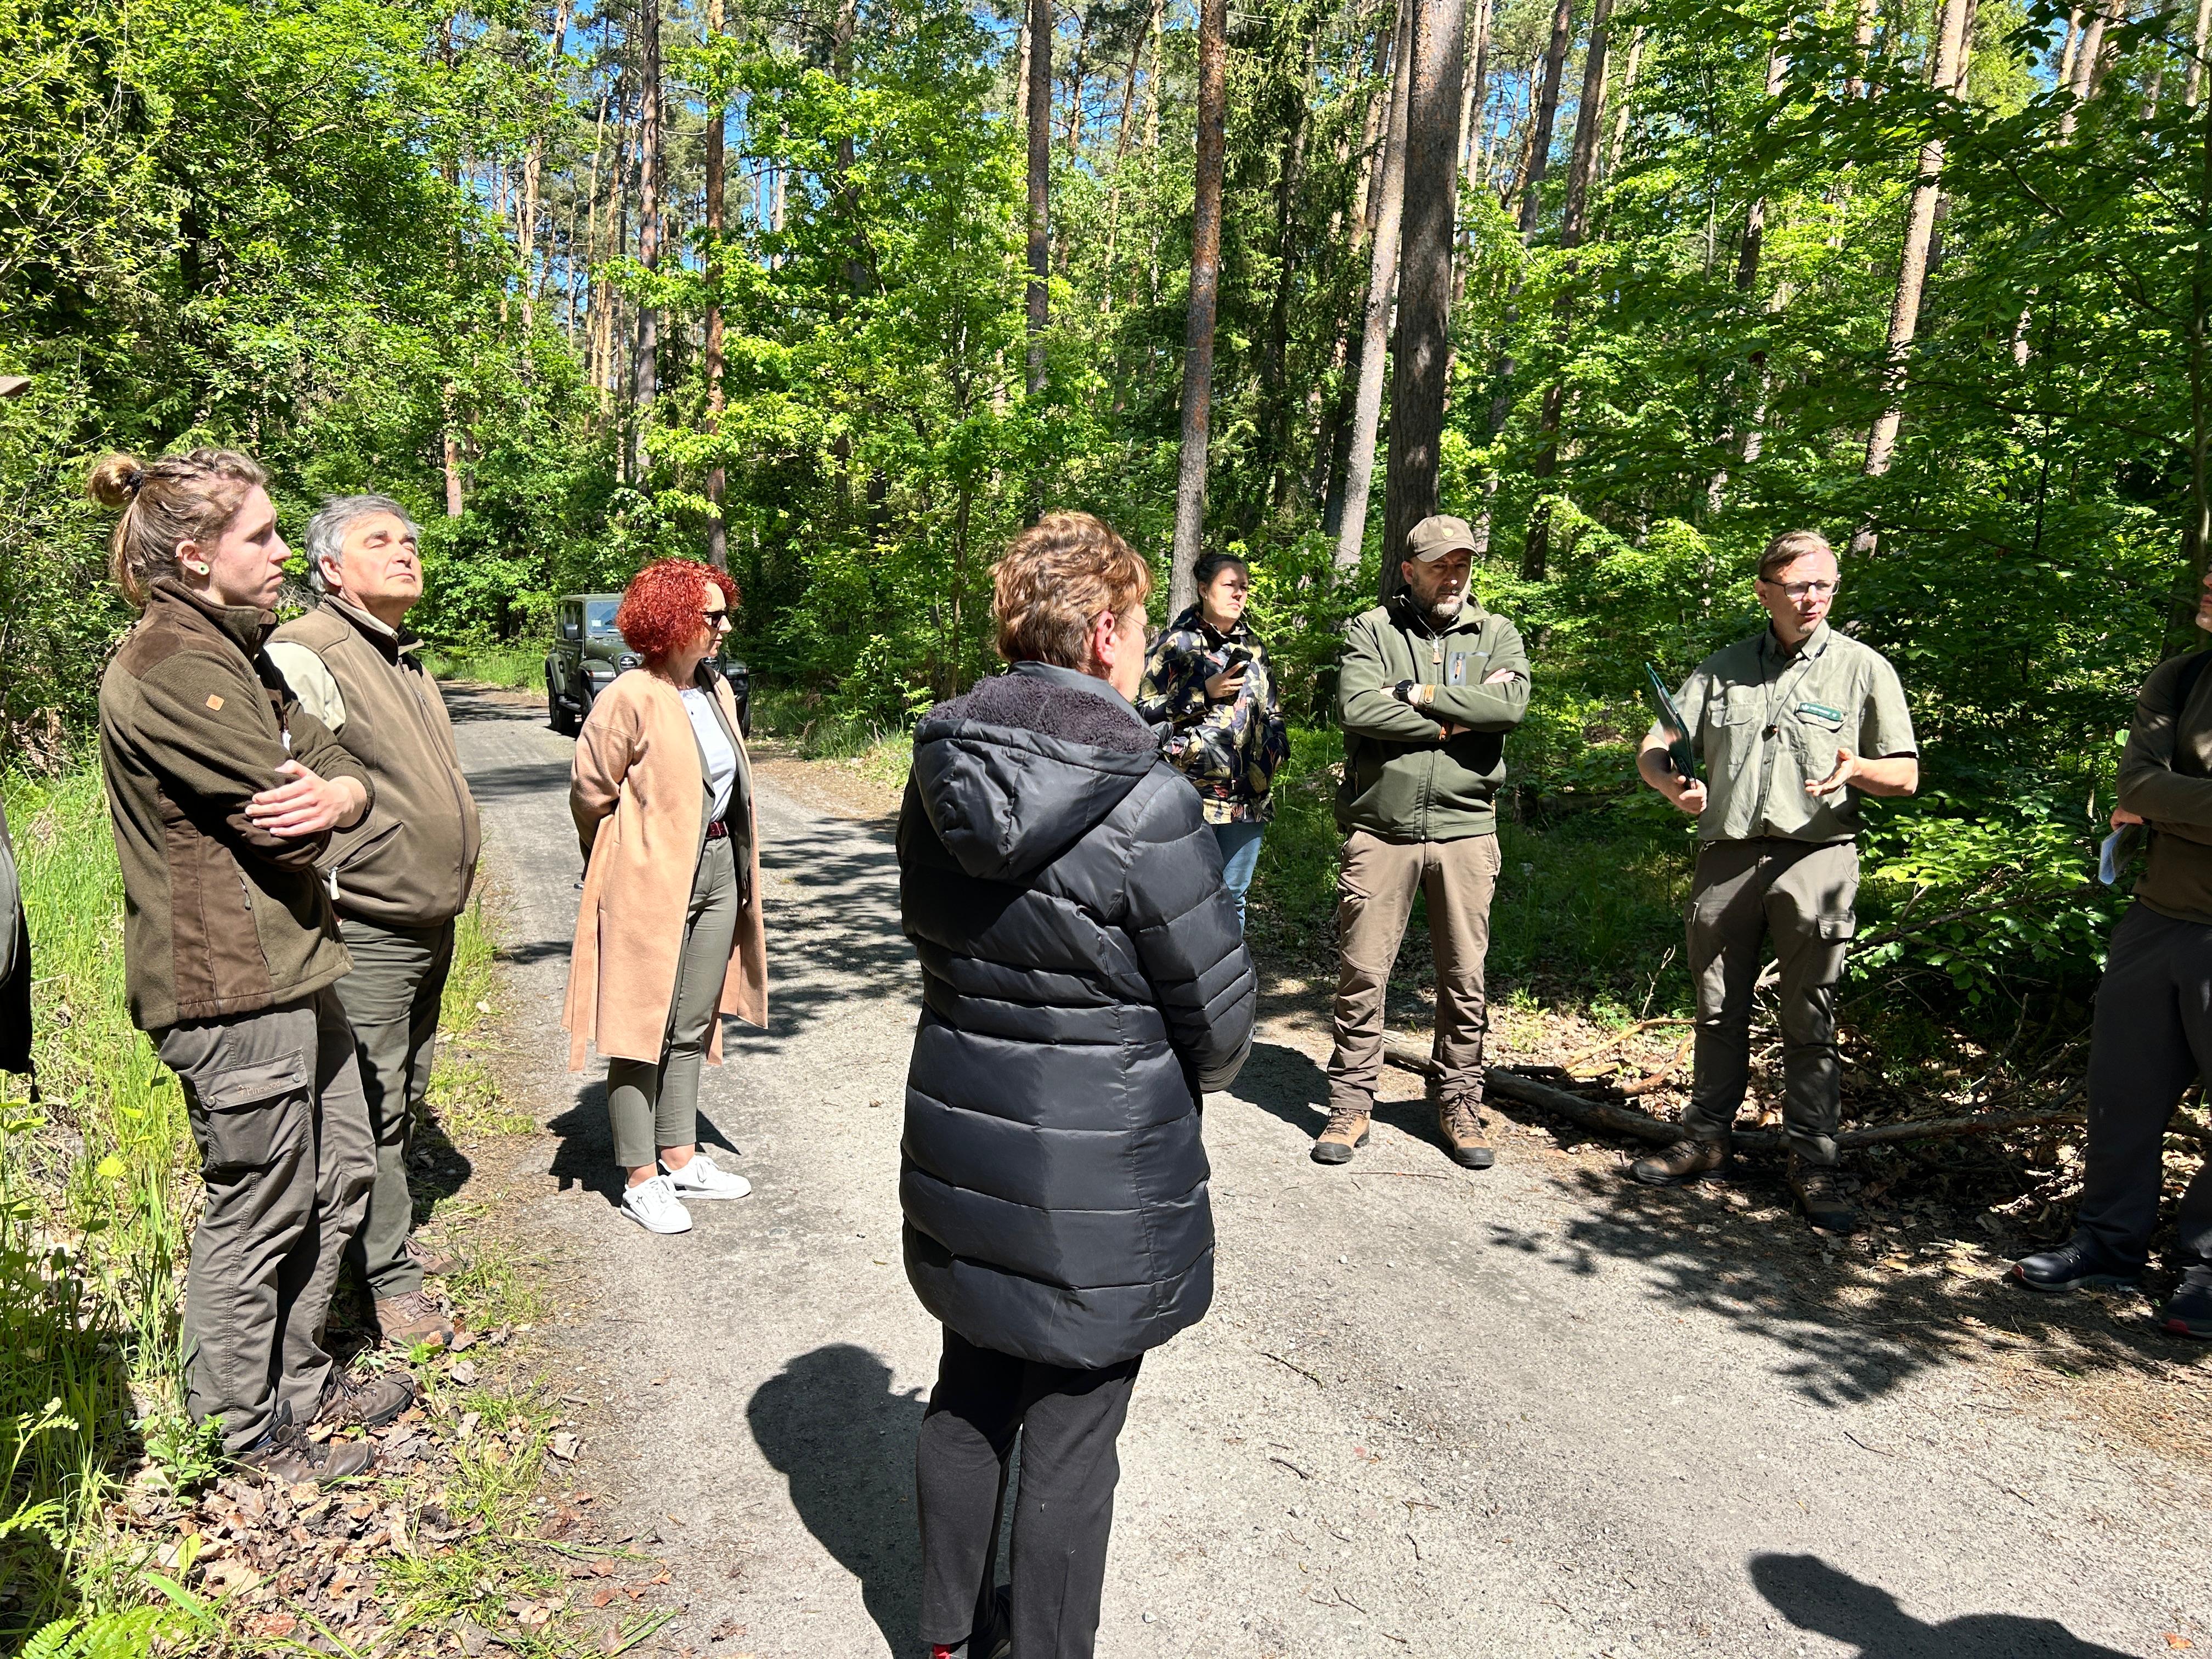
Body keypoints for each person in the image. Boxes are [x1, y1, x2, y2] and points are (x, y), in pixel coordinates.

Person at [898, 512, 1256, 1659]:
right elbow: (1222, 1023)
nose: (1144, 646)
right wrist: (1170, 1074)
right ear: (1104, 632)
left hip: (963, 1138)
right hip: (1100, 1173)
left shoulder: (941, 767)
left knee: (969, 1387)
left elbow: (929, 931)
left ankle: (947, 1639)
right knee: (1071, 1432)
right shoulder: (1148, 800)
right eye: (1140, 626)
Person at [91, 449, 409, 1486]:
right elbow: (282, 826)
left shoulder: (239, 652)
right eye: (262, 536)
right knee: (262, 1204)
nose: (282, 553)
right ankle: (239, 1433)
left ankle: (299, 1388)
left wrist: (340, 795)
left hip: (292, 965)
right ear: (195, 554)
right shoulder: (171, 665)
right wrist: (324, 806)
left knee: (341, 1170)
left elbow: (337, 767)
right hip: (227, 983)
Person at [1628, 529, 1918, 1234]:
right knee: (1716, 1006)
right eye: (1798, 586)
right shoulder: (1723, 669)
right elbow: (1655, 745)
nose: (1813, 598)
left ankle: (1813, 1160)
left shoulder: (1863, 669)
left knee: (1809, 1015)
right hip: (1727, 857)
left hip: (1817, 859)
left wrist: (1858, 769)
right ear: (1766, 592)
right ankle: (1705, 1139)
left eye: (1825, 585)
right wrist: (1670, 785)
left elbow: (1906, 775)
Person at [267, 496, 482, 1350]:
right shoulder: (308, 651)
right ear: (330, 567)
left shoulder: (399, 655)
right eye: (380, 541)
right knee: (370, 1104)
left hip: (426, 916)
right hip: (367, 922)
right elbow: (286, 783)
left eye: (411, 541)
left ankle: (379, 1246)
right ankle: (386, 1284)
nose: (406, 552)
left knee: (403, 1089)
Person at [2011, 567, 2212, 1338]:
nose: (2207, 579)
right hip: (2154, 920)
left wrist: (2164, 807)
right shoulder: (2182, 676)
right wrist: (2160, 804)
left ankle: (2205, 1269)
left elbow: (2153, 797)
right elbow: (2135, 784)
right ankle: (2106, 1245)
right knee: (2122, 1096)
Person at [1314, 513, 1530, 1170]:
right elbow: (1358, 708)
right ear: (1410, 571)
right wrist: (1450, 722)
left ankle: (1459, 1101)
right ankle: (1350, 1103)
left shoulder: (1496, 633)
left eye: (1462, 564)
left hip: (1466, 830)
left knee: (1464, 977)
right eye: (1440, 566)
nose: (1453, 576)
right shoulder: (1373, 629)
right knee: (1363, 973)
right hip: (1381, 831)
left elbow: (1509, 708)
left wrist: (1417, 694)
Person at [562, 557, 766, 1235]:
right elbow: (591, 793)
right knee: (638, 1023)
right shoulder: (630, 695)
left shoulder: (714, 687)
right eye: (712, 616)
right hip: (648, 876)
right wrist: (623, 858)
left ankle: (679, 1155)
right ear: (673, 619)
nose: (724, 627)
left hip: (718, 866)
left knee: (691, 1020)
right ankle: (640, 1177)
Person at [1136, 552, 1290, 930]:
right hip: (1190, 796)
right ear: (1204, 589)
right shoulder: (1175, 644)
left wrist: (1274, 754)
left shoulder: (1255, 648)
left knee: (1233, 897)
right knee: (1183, 898)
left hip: (1247, 802)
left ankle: (1230, 970)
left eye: (1244, 587)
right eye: (1229, 585)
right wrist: (1203, 692)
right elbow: (1141, 712)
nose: (1239, 594)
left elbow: (1272, 711)